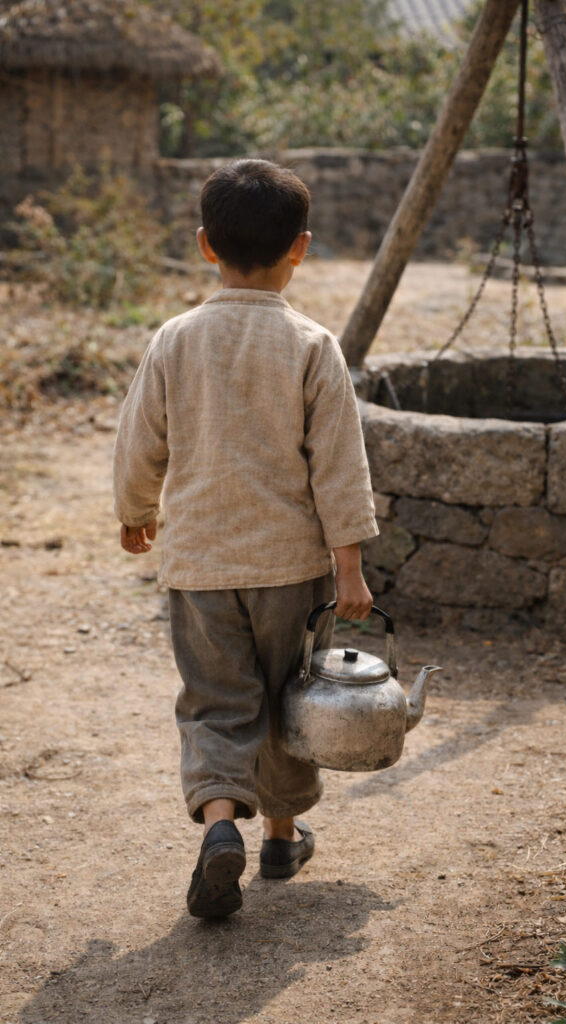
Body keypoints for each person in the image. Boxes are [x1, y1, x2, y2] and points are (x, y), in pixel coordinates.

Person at [113, 159, 378, 919]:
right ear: (301, 248)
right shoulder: (311, 344)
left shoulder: (174, 339)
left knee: (216, 702)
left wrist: (135, 510)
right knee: (287, 698)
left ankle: (220, 827)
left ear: (205, 244)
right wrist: (350, 567)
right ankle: (280, 839)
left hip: (199, 565)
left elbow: (141, 441)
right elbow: (339, 465)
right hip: (290, 567)